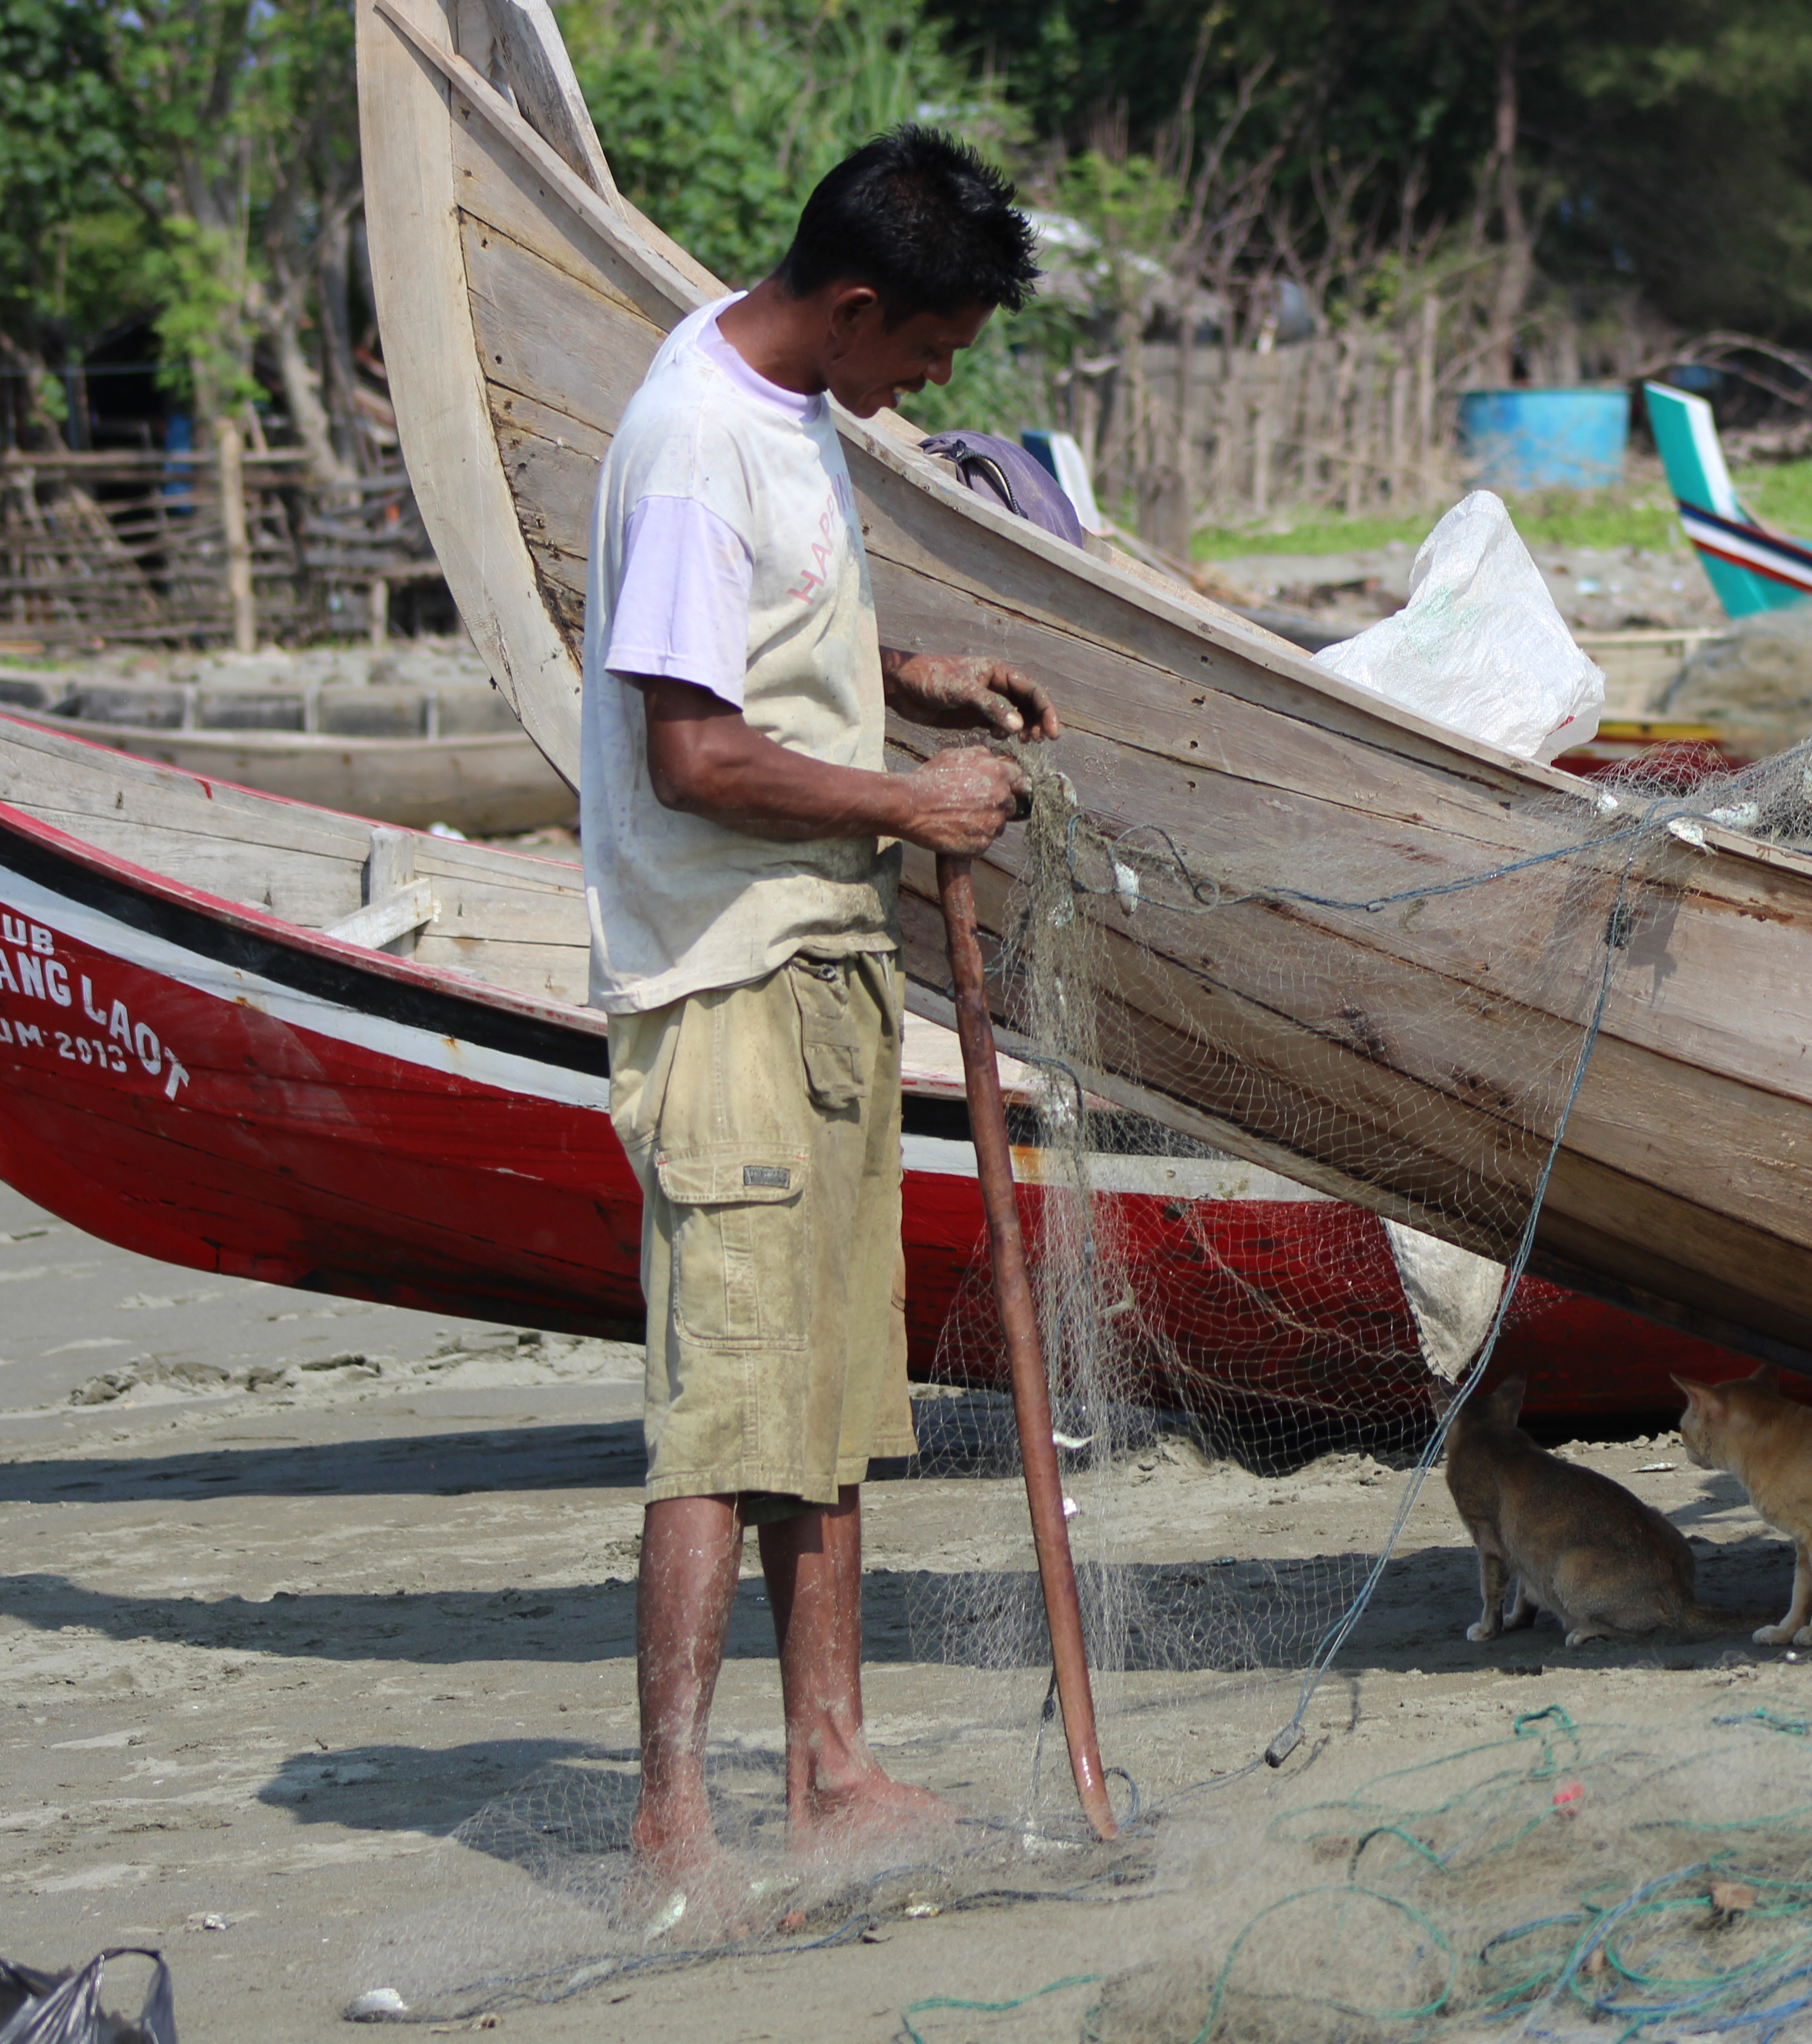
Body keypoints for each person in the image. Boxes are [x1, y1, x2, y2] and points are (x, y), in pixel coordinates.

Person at [581, 125, 1064, 1904]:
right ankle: (674, 1823)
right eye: (924, 356)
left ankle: (834, 1768)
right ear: (854, 305)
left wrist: (901, 672)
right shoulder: (700, 444)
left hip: (823, 961)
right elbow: (692, 747)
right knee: (728, 1414)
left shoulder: (780, 390)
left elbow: (754, 647)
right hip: (723, 978)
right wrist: (912, 803)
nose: (927, 387)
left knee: (835, 1391)